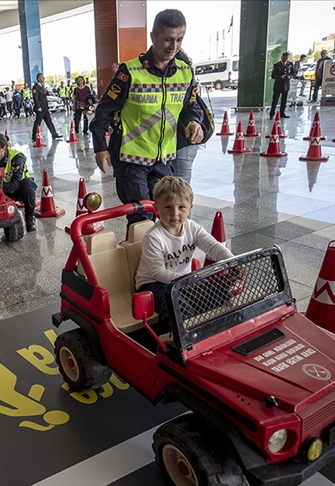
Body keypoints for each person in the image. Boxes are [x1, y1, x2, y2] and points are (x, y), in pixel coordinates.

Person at [89, 8, 204, 227]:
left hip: (164, 161)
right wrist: (100, 147)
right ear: (153, 37)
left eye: (179, 39)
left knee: (167, 216)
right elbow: (103, 111)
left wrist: (193, 121)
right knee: (142, 219)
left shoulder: (185, 72)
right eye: (168, 39)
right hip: (131, 161)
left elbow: (191, 105)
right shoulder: (130, 72)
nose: (174, 46)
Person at [134, 176, 234, 321]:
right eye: (167, 207)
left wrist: (232, 261)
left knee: (219, 296)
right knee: (181, 311)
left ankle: (213, 328)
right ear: (156, 209)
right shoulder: (153, 237)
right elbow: (158, 273)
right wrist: (188, 280)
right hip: (153, 284)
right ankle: (182, 333)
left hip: (184, 280)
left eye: (181, 207)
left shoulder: (192, 228)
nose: (175, 213)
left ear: (190, 209)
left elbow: (213, 247)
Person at [0, 133, 37, 232]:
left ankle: (30, 219)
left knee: (28, 186)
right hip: (2, 190)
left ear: (3, 149)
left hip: (19, 187)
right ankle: (3, 223)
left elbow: (16, 183)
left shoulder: (16, 157)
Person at [171, 49, 201, 184]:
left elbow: (191, 107)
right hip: (181, 140)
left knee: (181, 182)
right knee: (178, 179)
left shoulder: (182, 83)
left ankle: (184, 199)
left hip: (185, 140)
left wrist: (193, 121)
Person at [32, 73, 63, 141]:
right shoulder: (35, 87)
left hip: (45, 107)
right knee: (38, 122)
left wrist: (47, 93)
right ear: (38, 78)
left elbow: (43, 95)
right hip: (40, 108)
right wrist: (38, 106)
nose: (43, 78)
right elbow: (35, 98)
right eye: (42, 77)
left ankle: (54, 134)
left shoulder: (41, 86)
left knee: (49, 121)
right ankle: (34, 136)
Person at [269, 52, 293, 118]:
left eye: (286, 58)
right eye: (284, 58)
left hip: (286, 85)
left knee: (284, 100)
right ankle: (272, 113)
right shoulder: (277, 65)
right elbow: (273, 75)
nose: (285, 59)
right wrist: (280, 77)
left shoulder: (290, 64)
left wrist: (290, 76)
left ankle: (282, 113)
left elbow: (293, 73)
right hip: (278, 85)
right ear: (281, 57)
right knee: (275, 100)